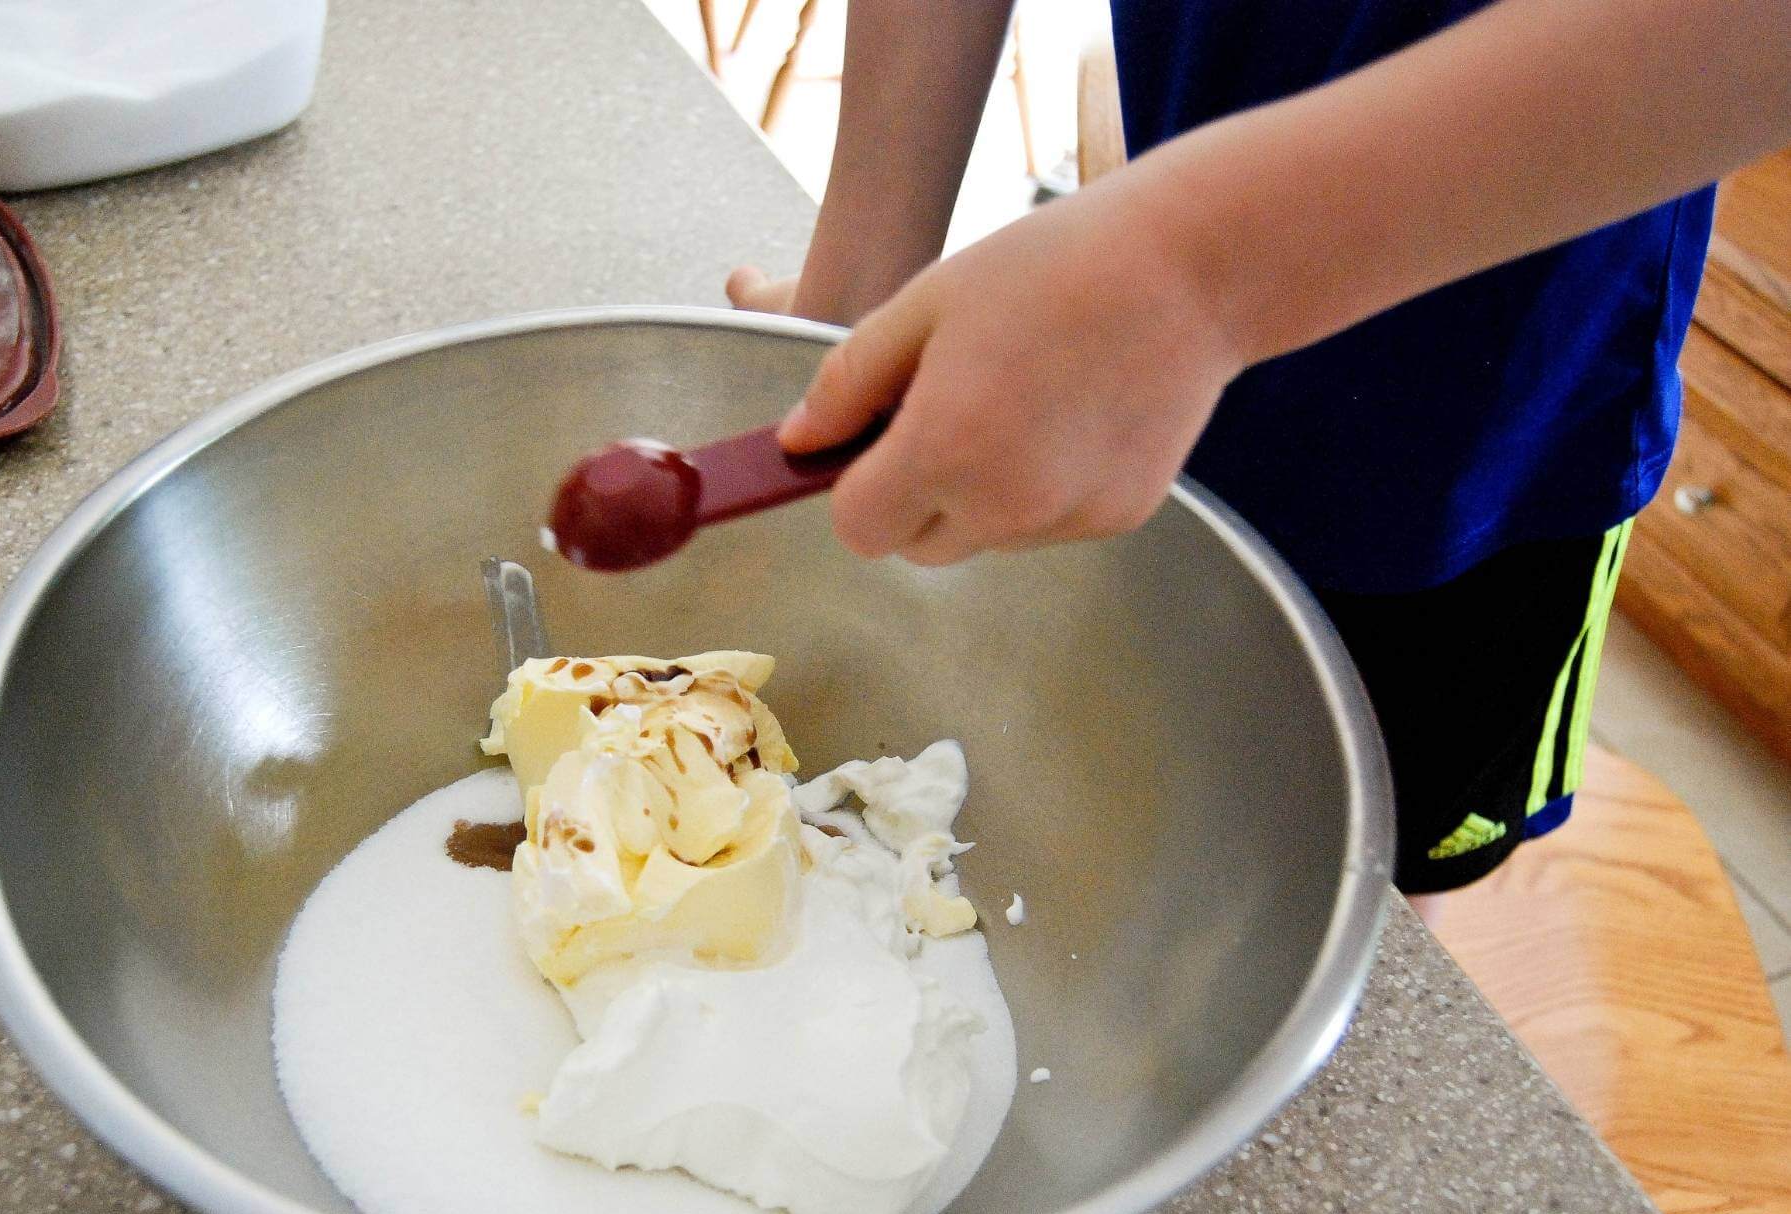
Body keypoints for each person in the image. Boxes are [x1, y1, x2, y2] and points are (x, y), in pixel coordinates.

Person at [723, 0, 1791, 915]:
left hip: (1484, 425)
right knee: (1169, 802)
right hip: (1175, 302)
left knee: (1373, 880)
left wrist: (1192, 277)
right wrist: (858, 283)